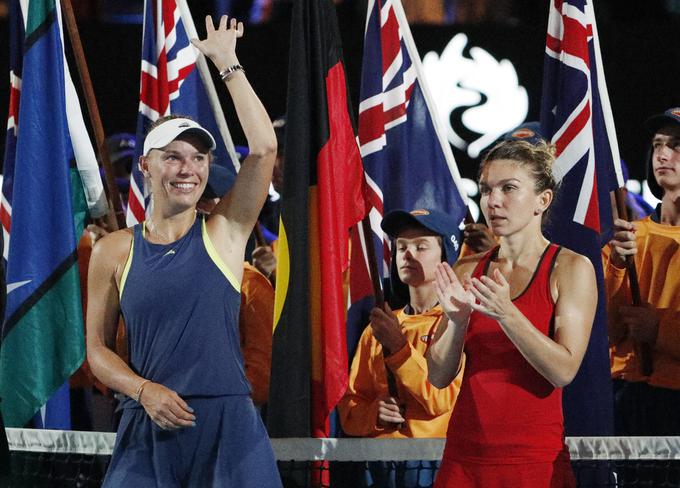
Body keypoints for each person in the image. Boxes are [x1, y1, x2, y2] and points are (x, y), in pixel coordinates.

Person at [86, 16, 281, 487]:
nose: (187, 168)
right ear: (147, 166)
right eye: (173, 156)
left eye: (198, 157)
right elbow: (96, 351)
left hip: (229, 432)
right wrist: (143, 390)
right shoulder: (113, 250)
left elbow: (264, 148)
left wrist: (228, 62)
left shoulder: (226, 232)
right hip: (148, 423)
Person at [427, 139, 597, 487]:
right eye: (486, 189)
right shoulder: (467, 270)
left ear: (542, 200)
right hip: (464, 460)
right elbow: (439, 376)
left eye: (509, 188)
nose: (493, 201)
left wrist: (507, 313)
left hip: (534, 462)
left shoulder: (571, 267)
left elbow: (563, 370)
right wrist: (457, 323)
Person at [338, 208, 464, 488]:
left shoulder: (457, 323)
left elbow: (439, 399)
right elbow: (350, 406)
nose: (408, 255)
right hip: (378, 465)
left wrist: (397, 346)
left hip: (434, 463)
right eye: (401, 247)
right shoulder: (379, 327)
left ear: (446, 258)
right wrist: (374, 414)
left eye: (421, 246)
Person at [606, 107, 680, 435]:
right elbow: (603, 332)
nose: (663, 153)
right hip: (625, 395)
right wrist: (618, 267)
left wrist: (659, 330)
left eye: (676, 145)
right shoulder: (626, 238)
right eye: (657, 144)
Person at [199, 163, 273, 408]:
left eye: (206, 201)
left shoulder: (250, 285)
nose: (197, 208)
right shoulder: (169, 273)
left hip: (227, 417)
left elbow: (261, 379)